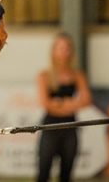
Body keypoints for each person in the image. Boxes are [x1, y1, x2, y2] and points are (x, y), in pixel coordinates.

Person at [36, 32, 91, 182]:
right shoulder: (45, 76)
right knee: (43, 172)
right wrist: (70, 104)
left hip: (70, 128)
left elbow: (86, 100)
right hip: (50, 128)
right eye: (60, 47)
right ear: (53, 51)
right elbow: (46, 103)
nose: (64, 51)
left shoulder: (77, 75)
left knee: (66, 174)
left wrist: (61, 103)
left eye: (67, 48)